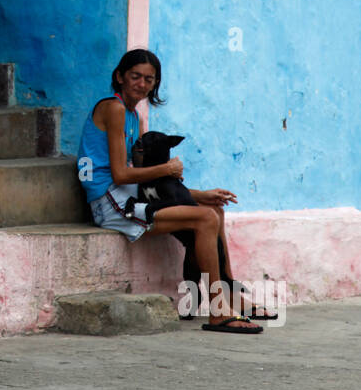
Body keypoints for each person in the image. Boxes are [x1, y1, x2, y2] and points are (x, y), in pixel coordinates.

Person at [77, 48, 268, 333]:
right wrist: (167, 169)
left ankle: (228, 296)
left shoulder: (133, 116)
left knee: (212, 209)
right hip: (109, 202)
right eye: (135, 76)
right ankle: (218, 311)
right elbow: (120, 174)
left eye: (149, 79)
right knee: (205, 219)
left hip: (127, 195)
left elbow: (145, 182)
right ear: (119, 77)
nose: (141, 84)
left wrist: (198, 194)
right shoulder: (113, 108)